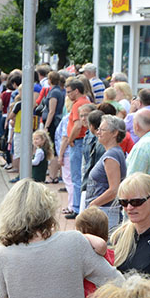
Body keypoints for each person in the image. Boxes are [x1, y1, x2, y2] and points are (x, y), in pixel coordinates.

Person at [85, 115, 127, 230]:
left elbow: (114, 190)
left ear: (114, 133)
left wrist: (92, 205)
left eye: (102, 130)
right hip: (104, 211)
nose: (98, 132)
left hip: (104, 212)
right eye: (98, 129)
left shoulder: (112, 155)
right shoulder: (114, 152)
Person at [57, 78, 90, 216]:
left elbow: (77, 125)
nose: (68, 95)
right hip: (82, 140)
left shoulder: (78, 105)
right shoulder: (86, 102)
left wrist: (70, 139)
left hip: (78, 141)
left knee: (76, 177)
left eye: (69, 92)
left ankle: (76, 208)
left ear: (76, 91)